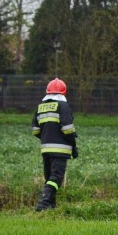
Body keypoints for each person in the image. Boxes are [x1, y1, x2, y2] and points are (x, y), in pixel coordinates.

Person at [31, 77, 77, 211]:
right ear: (64, 92)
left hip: (45, 149)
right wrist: (73, 146)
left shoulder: (40, 107)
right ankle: (43, 203)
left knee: (49, 178)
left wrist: (47, 138)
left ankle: (51, 205)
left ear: (47, 91)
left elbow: (35, 131)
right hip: (61, 150)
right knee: (56, 178)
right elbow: (68, 130)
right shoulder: (63, 106)